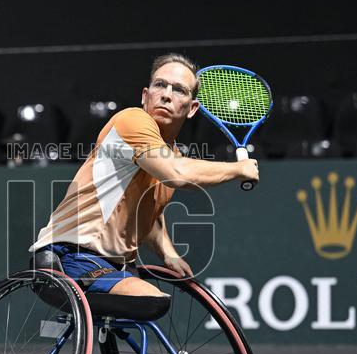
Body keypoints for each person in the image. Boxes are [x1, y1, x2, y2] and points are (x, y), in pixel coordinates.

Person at [29, 53, 259, 295]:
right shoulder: (132, 120)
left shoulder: (170, 154)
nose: (166, 95)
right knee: (151, 298)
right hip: (68, 255)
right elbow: (177, 173)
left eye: (179, 90)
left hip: (115, 266)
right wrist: (237, 168)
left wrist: (168, 253)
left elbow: (148, 218)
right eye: (160, 85)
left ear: (192, 109)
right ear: (145, 96)